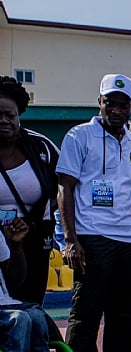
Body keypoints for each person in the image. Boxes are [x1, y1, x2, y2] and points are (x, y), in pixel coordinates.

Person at [56, 74, 131, 352]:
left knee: (124, 318)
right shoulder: (78, 136)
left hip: (130, 242)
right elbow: (65, 188)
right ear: (99, 102)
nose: (115, 108)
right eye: (109, 101)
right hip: (92, 237)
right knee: (85, 316)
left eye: (122, 103)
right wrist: (70, 239)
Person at [0, 75, 59, 304]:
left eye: (10, 115)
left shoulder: (41, 146)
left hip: (35, 235)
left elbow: (63, 191)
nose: (4, 120)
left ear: (19, 116)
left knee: (32, 305)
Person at [0, 217, 49, 352]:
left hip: (5, 302)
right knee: (19, 319)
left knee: (37, 315)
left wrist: (16, 245)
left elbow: (15, 280)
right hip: (8, 310)